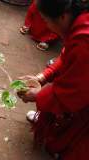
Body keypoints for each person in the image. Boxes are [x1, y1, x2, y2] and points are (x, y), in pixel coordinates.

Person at [18, 0, 89, 159]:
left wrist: (38, 95)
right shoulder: (79, 22)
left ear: (63, 16)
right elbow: (68, 55)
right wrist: (43, 76)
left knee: (77, 143)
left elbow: (73, 93)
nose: (46, 25)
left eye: (45, 20)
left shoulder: (85, 42)